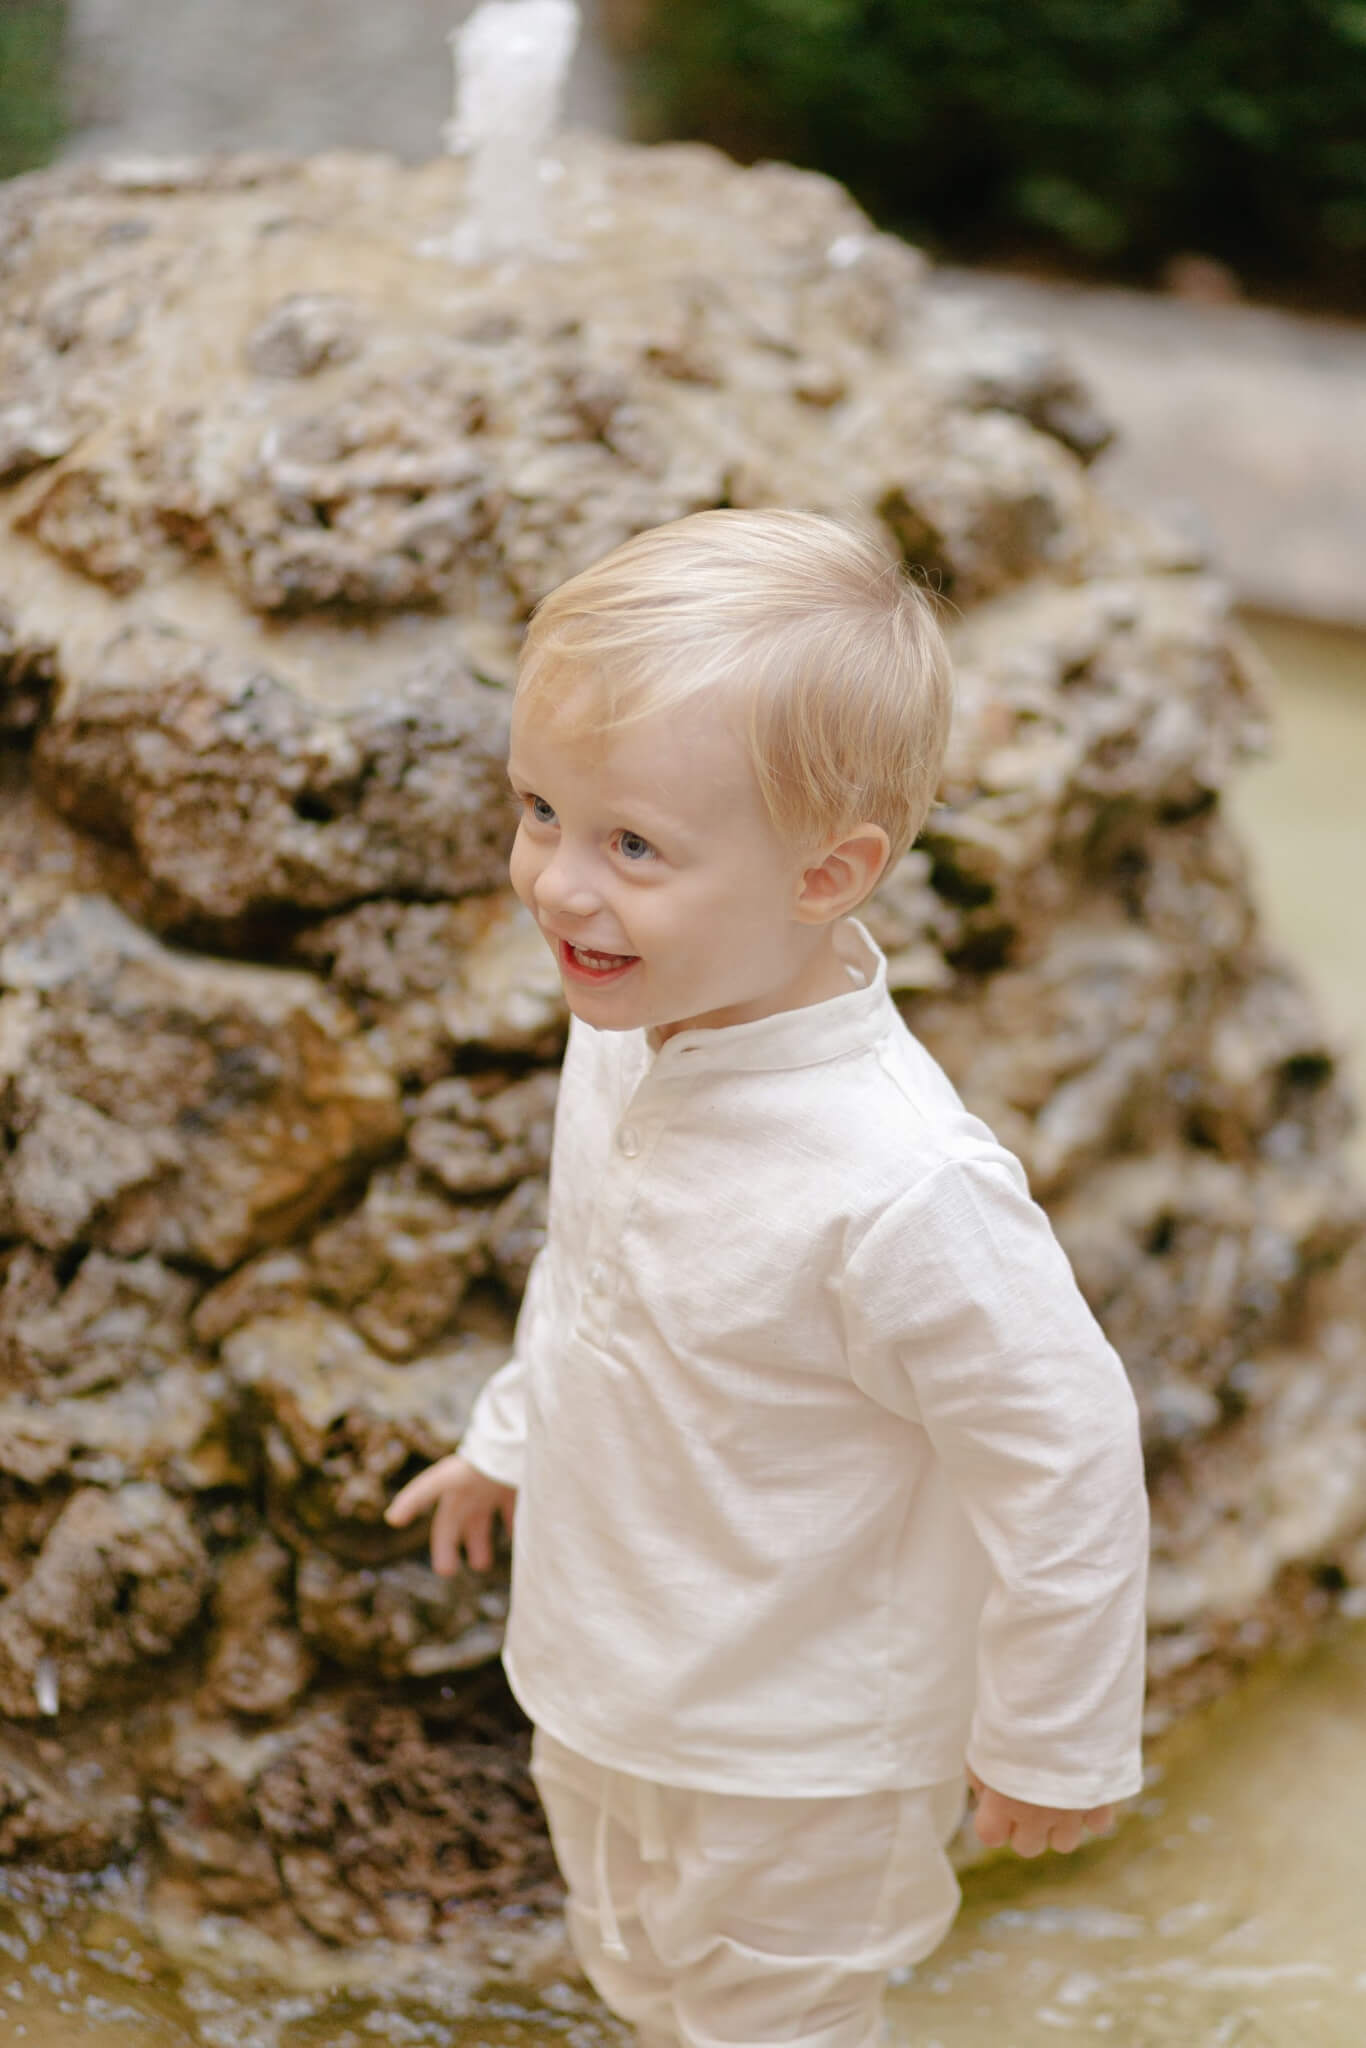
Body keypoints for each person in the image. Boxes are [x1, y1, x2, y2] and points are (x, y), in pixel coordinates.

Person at [386, 509, 1149, 2048]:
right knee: (644, 1976)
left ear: (828, 873)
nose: (556, 885)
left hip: (806, 1745)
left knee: (776, 2018)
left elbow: (1060, 1455)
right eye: (541, 810)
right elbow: (593, 1278)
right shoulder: (637, 1028)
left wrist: (1052, 1736)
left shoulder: (899, 1185)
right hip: (609, 1665)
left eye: (633, 847)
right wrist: (512, 1438)